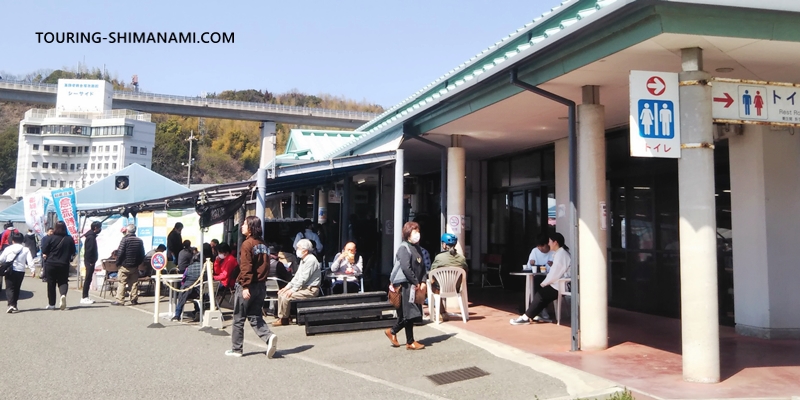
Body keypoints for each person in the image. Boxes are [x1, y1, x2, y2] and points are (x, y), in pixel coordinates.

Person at [225, 216, 277, 359]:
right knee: (255, 316)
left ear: (250, 227)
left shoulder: (247, 244)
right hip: (261, 285)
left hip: (248, 285)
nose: (242, 226)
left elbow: (246, 266)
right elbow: (265, 266)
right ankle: (269, 336)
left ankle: (236, 349)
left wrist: (245, 286)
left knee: (238, 318)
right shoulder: (264, 244)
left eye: (244, 224)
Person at [510, 232, 571, 325]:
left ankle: (526, 317)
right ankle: (533, 314)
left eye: (550, 241)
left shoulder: (561, 254)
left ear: (555, 242)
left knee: (540, 295)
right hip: (560, 283)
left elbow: (555, 273)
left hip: (562, 285)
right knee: (541, 294)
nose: (549, 244)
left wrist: (545, 283)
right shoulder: (560, 253)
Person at [384, 221, 427, 350]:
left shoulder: (418, 248)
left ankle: (393, 333)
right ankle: (409, 341)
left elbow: (422, 266)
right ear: (408, 233)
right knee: (409, 312)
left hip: (414, 284)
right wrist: (416, 282)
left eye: (418, 231)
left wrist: (423, 281)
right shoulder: (404, 248)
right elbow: (405, 267)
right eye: (414, 232)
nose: (417, 234)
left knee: (409, 313)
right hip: (404, 284)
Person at [274, 239, 321, 326]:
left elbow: (303, 278)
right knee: (282, 293)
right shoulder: (303, 260)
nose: (297, 250)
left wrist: (292, 290)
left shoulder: (311, 260)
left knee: (286, 296)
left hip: (310, 289)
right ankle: (283, 317)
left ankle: (284, 318)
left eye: (299, 248)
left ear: (306, 251)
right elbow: (297, 277)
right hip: (303, 287)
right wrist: (287, 287)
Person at [429, 233, 467, 321]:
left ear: (445, 245)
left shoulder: (439, 257)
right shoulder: (462, 258)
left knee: (432, 285)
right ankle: (443, 312)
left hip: (441, 288)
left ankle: (442, 312)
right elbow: (465, 271)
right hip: (456, 288)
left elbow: (432, 272)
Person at [40, 221, 76, 310]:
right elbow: (73, 251)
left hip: (50, 264)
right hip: (64, 264)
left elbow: (44, 249)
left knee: (51, 283)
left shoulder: (50, 238)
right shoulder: (69, 239)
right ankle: (63, 295)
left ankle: (52, 304)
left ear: (55, 228)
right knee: (63, 281)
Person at [111, 224, 145, 306]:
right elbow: (142, 254)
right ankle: (134, 299)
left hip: (124, 265)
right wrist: (138, 263)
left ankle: (120, 300)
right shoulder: (139, 241)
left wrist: (118, 263)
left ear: (127, 231)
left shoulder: (125, 240)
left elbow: (120, 253)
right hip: (134, 266)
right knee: (134, 283)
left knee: (122, 282)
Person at [1, 232, 34, 313]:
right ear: (22, 240)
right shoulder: (25, 249)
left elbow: (1, 259)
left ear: (13, 240)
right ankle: (14, 304)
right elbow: (30, 260)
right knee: (17, 287)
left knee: (9, 288)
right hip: (20, 271)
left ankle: (11, 304)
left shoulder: (8, 249)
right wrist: (32, 270)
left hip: (9, 270)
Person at [526, 233, 555, 321]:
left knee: (541, 285)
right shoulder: (535, 251)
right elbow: (528, 267)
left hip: (550, 278)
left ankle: (540, 308)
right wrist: (531, 264)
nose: (541, 249)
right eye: (539, 247)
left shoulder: (553, 252)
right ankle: (539, 309)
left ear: (548, 244)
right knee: (536, 282)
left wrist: (553, 265)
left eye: (543, 246)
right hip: (538, 276)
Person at [171, 251, 203, 322]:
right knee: (197, 296)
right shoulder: (204, 267)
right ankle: (198, 311)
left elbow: (183, 279)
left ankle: (177, 315)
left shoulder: (188, 268)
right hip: (200, 291)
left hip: (187, 290)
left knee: (182, 296)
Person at [80, 221, 102, 305]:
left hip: (90, 261)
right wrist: (92, 261)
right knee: (88, 278)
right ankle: (84, 297)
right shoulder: (91, 237)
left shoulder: (91, 236)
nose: (100, 229)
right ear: (96, 228)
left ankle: (86, 296)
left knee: (89, 278)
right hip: (90, 261)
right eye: (99, 227)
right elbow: (89, 250)